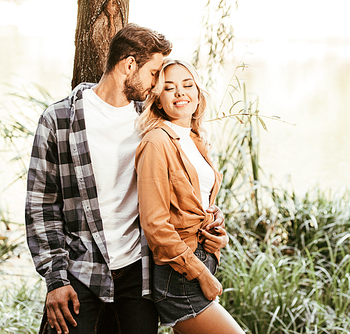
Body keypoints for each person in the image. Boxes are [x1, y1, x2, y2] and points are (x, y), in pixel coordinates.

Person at [25, 24, 226, 334]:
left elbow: (177, 190)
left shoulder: (148, 120)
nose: (158, 85)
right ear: (129, 65)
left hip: (139, 273)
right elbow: (42, 207)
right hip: (82, 271)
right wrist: (55, 280)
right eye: (154, 73)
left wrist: (210, 223)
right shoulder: (60, 120)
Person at [135, 59, 244, 334]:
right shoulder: (156, 143)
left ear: (198, 94)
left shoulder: (194, 139)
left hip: (200, 259)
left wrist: (215, 220)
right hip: (180, 275)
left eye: (187, 85)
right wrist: (201, 274)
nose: (180, 93)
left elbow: (194, 200)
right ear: (158, 100)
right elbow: (155, 226)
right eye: (169, 88)